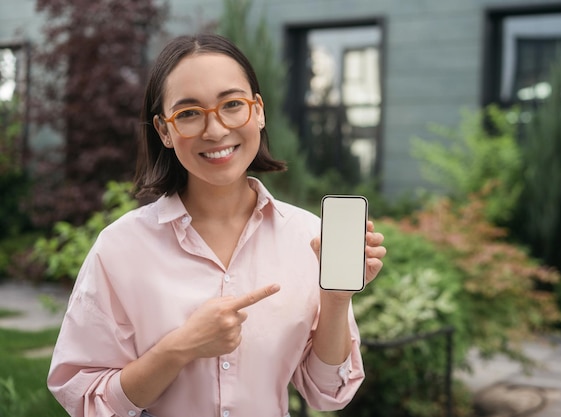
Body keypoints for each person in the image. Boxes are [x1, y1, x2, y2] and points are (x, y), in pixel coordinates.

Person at [47, 33, 386, 417]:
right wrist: (181, 347)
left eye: (232, 105)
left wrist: (336, 301)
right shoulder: (120, 247)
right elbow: (85, 398)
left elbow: (329, 394)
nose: (215, 130)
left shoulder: (307, 238)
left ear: (258, 111)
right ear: (164, 131)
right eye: (189, 113)